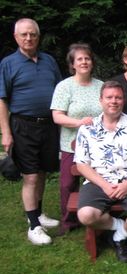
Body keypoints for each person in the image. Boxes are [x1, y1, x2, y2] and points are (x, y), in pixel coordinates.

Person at [74, 81, 127, 263]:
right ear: (101, 100)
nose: (114, 101)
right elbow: (81, 164)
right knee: (86, 215)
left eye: (118, 97)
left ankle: (119, 236)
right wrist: (104, 185)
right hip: (99, 182)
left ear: (123, 100)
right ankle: (122, 227)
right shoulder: (87, 129)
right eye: (109, 97)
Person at [0, 18, 62, 245]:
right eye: (24, 34)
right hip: (23, 126)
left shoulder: (49, 61)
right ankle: (33, 226)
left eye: (32, 34)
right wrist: (5, 133)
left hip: (48, 125)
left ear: (38, 36)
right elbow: (2, 100)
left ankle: (39, 213)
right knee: (31, 175)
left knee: (44, 171)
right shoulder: (8, 63)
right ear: (16, 37)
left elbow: (60, 90)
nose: (29, 38)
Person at [51, 43, 103, 235]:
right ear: (72, 64)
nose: (84, 62)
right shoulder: (64, 87)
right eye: (79, 59)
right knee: (67, 184)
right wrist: (79, 122)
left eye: (87, 58)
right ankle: (69, 221)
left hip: (98, 146)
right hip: (70, 145)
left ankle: (98, 214)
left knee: (98, 181)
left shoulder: (101, 86)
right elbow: (57, 116)